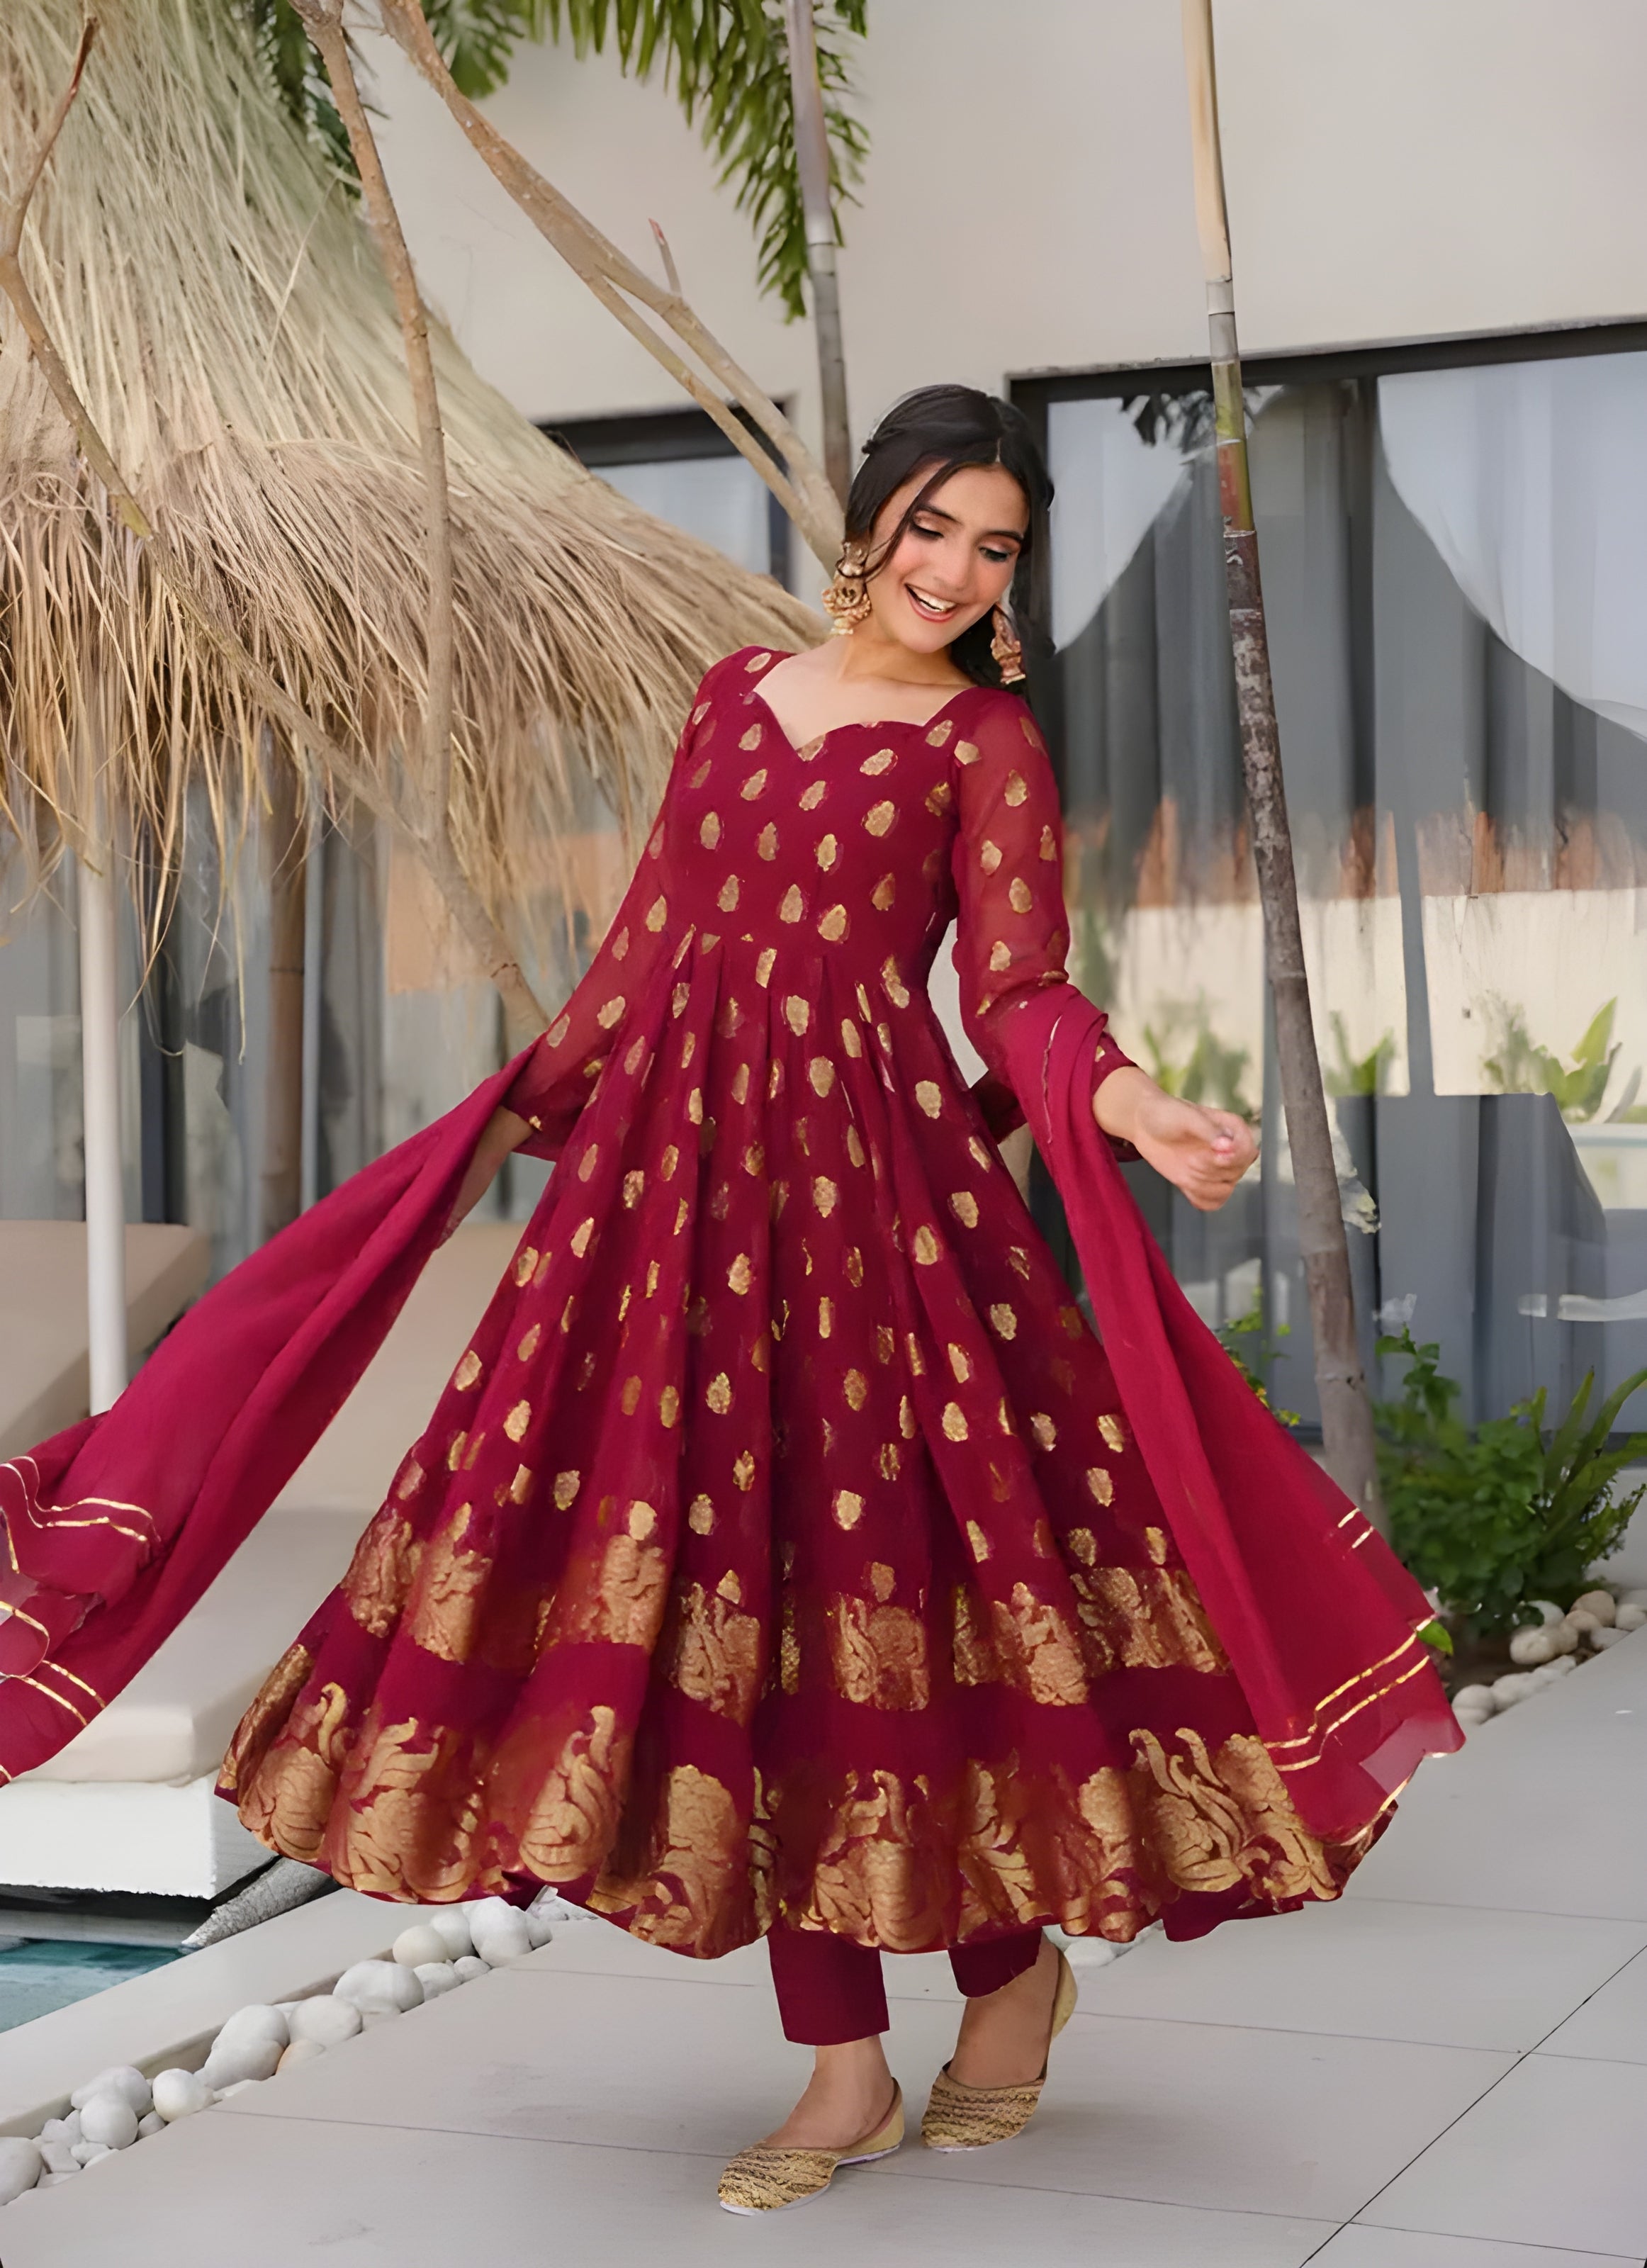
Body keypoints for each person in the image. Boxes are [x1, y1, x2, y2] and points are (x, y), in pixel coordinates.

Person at [0, 386, 1458, 2217]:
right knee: (735, 1635)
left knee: (900, 1625)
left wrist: (1127, 1103)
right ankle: (845, 2068)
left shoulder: (982, 744)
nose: (952, 571)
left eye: (992, 548)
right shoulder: (727, 703)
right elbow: (644, 962)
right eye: (932, 527)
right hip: (677, 1220)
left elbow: (1011, 989)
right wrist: (504, 1123)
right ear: (868, 523)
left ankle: (1007, 1982)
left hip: (873, 1229)